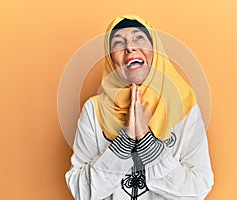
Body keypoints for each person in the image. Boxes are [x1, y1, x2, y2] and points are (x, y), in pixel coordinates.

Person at [65, 14, 214, 200]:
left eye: (139, 37)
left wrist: (146, 140)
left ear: (155, 49)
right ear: (111, 59)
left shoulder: (183, 107)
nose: (130, 47)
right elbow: (81, 191)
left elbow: (199, 188)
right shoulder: (94, 111)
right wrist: (125, 140)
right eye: (118, 43)